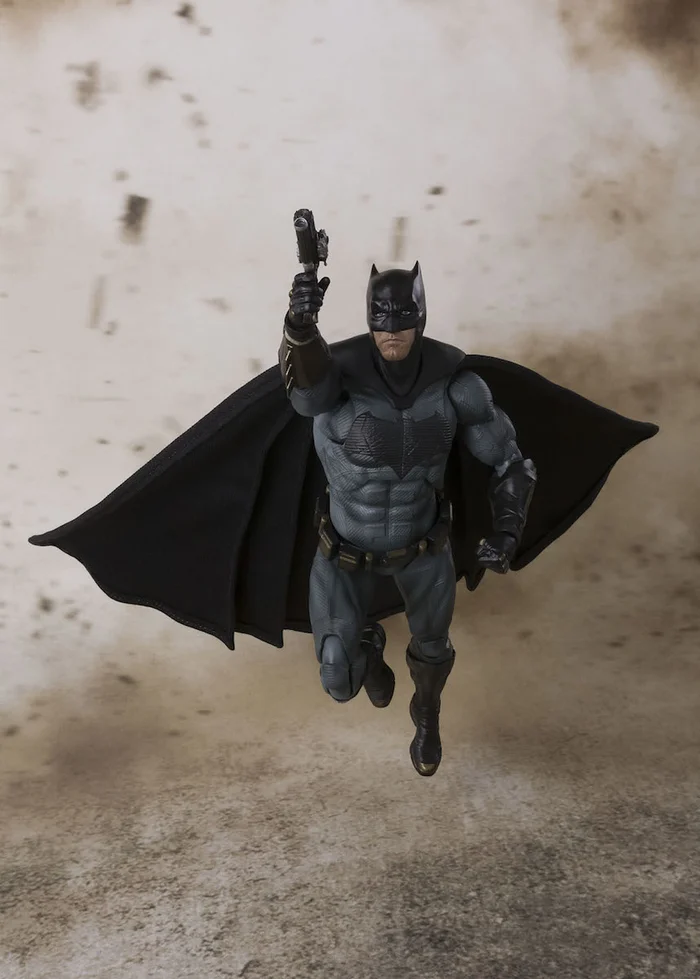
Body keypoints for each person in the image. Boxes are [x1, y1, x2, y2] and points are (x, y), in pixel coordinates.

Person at [280, 263, 536, 775]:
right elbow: (303, 388)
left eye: (402, 320)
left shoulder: (456, 388)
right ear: (368, 320)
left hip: (423, 546)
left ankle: (427, 712)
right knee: (337, 678)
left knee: (434, 649)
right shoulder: (335, 381)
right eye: (381, 320)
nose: (391, 331)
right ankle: (369, 647)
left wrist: (509, 529)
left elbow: (511, 462)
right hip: (343, 551)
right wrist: (299, 325)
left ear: (421, 319)